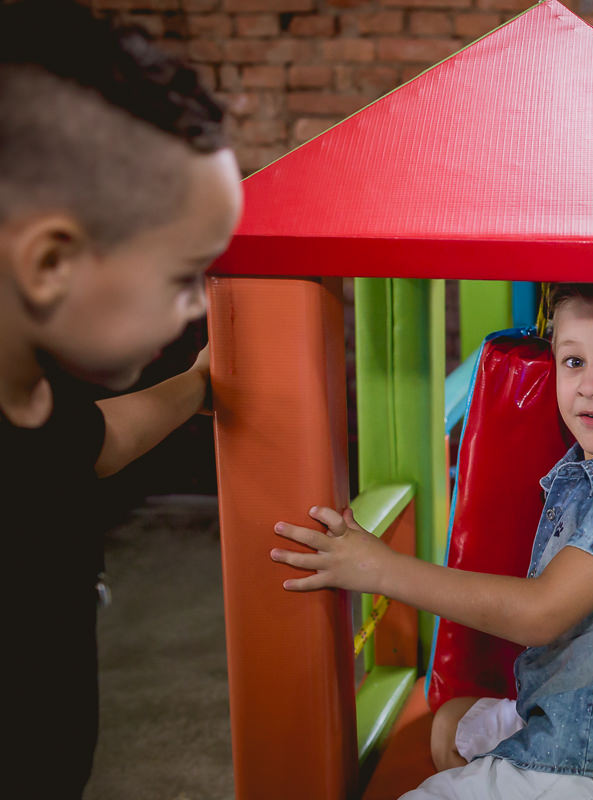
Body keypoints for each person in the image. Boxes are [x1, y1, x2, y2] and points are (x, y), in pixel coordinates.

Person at [272, 283, 593, 798]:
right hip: (575, 711)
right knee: (452, 723)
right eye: (573, 362)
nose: (589, 386)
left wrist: (381, 569)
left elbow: (539, 613)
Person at [0, 1, 242, 795]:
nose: (199, 306)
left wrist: (197, 384)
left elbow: (95, 442)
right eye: (183, 278)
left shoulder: (30, 401)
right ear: (51, 264)